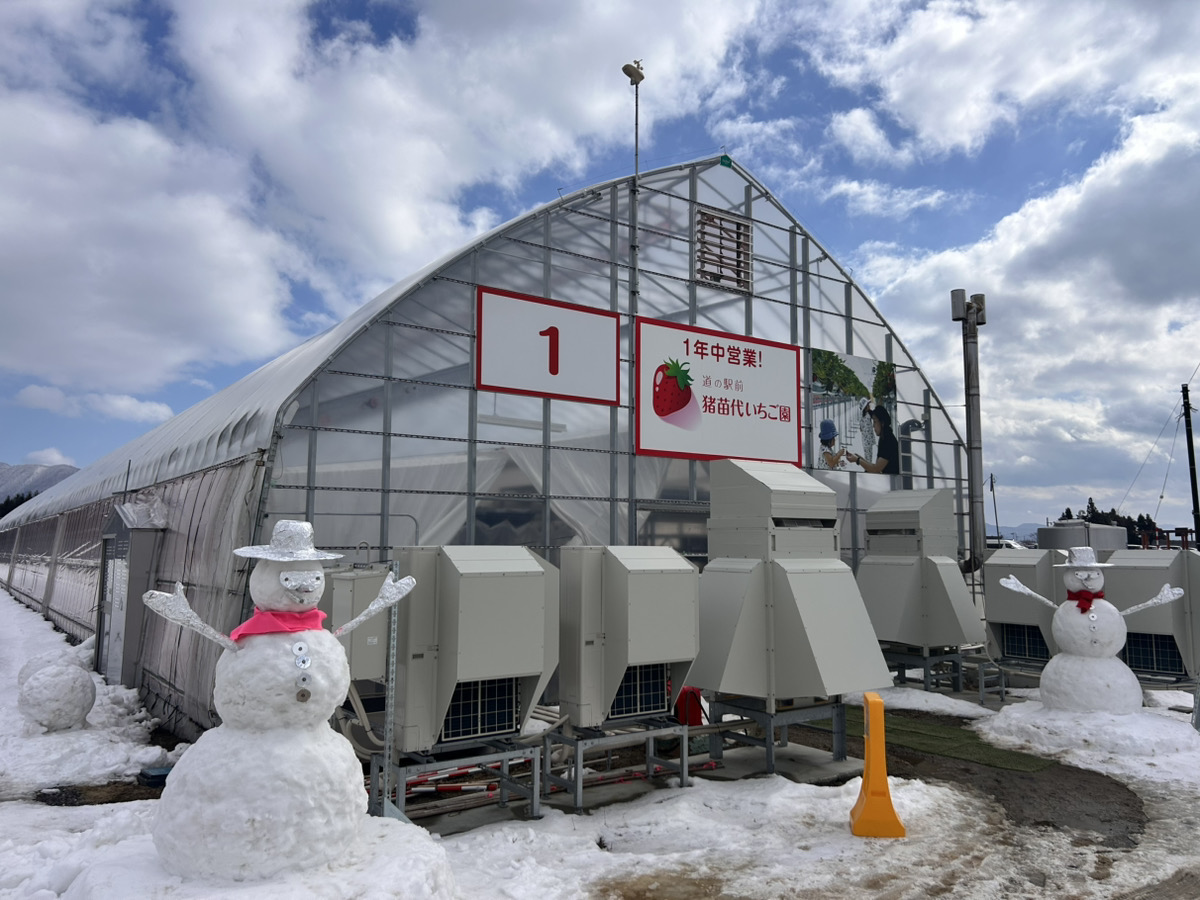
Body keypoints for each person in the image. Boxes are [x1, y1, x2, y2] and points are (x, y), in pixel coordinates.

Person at [850, 405, 899, 475]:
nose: (873, 426)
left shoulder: (888, 441)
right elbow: (876, 466)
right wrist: (859, 458)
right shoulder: (884, 437)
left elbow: (876, 469)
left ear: (882, 423)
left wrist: (858, 460)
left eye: (875, 422)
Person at [858, 397, 876, 467]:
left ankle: (867, 467)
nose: (869, 406)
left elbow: (861, 428)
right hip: (868, 440)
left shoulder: (862, 416)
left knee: (867, 455)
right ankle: (868, 468)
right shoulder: (868, 415)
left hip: (865, 440)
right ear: (865, 407)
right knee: (869, 456)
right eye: (868, 405)